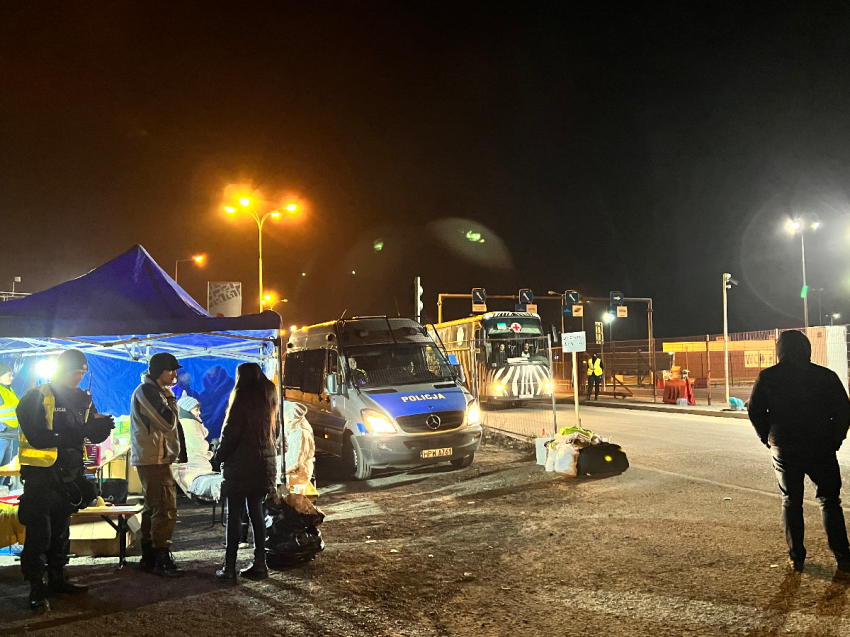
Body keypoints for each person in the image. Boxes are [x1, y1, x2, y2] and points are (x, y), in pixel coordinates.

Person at [15, 350, 114, 611]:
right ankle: (36, 586)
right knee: (40, 533)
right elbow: (38, 437)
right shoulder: (36, 396)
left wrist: (100, 430)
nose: (78, 378)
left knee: (61, 531)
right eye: (74, 373)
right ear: (60, 371)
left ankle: (57, 579)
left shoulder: (83, 398)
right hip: (40, 476)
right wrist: (81, 432)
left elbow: (88, 431)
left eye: (82, 373)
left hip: (69, 474)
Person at [748, 330, 850, 573]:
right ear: (807, 349)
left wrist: (767, 437)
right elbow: (843, 410)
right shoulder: (825, 376)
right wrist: (835, 439)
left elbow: (755, 410)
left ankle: (797, 557)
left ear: (780, 350)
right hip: (821, 446)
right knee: (829, 501)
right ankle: (843, 556)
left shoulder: (768, 377)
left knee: (791, 501)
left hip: (784, 446)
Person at [213, 363, 278, 581]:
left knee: (234, 514)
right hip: (264, 465)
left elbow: (230, 435)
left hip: (240, 466)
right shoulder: (269, 398)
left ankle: (229, 567)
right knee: (257, 512)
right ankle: (260, 563)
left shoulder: (241, 397)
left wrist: (217, 457)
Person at [131, 352, 187, 578]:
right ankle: (161, 558)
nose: (175, 375)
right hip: (153, 458)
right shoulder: (147, 391)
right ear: (159, 372)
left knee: (153, 506)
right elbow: (167, 422)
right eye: (171, 370)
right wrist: (171, 400)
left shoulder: (155, 391)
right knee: (165, 507)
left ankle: (149, 557)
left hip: (156, 457)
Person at [0, 362, 20, 487]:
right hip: (2, 435)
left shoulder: (8, 390)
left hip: (9, 435)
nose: (11, 378)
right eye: (8, 375)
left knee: (5, 469)